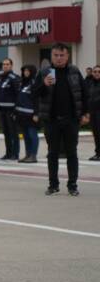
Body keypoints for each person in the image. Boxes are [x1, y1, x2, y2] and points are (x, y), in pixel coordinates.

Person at [33, 43, 89, 196]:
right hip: (51, 120)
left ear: (67, 56)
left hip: (71, 120)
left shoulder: (74, 71)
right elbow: (34, 92)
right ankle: (53, 185)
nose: (58, 58)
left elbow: (84, 93)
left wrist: (85, 113)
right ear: (51, 56)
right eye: (56, 55)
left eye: (61, 55)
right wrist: (43, 84)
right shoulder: (45, 72)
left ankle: (72, 185)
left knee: (72, 153)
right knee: (52, 153)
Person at [0, 57, 21, 160]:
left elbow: (18, 95)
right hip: (2, 110)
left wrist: (16, 110)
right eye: (3, 64)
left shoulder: (14, 78)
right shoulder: (1, 78)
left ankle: (15, 154)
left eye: (7, 64)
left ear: (11, 66)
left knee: (13, 133)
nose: (5, 66)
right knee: (6, 133)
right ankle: (8, 153)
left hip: (11, 110)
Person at [16, 64, 40, 164]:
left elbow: (37, 99)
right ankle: (28, 154)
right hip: (22, 114)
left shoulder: (35, 83)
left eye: (28, 71)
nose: (26, 72)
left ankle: (33, 155)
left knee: (32, 134)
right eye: (24, 71)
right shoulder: (23, 82)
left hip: (31, 114)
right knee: (25, 135)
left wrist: (36, 113)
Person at [89, 65, 100, 161]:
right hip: (93, 112)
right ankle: (98, 153)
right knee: (96, 134)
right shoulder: (91, 84)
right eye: (95, 71)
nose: (97, 73)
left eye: (99, 72)